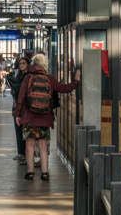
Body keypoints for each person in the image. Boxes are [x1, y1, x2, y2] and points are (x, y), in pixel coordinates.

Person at [15, 53, 79, 181]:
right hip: (45, 118)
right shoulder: (49, 78)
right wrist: (76, 81)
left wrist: (17, 114)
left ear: (33, 64)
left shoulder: (28, 78)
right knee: (43, 145)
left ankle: (30, 172)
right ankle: (45, 173)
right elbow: (64, 89)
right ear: (44, 64)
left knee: (30, 145)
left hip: (29, 117)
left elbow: (21, 97)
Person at [6, 55, 30, 160]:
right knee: (18, 129)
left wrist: (11, 81)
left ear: (28, 64)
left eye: (24, 63)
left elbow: (19, 88)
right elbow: (15, 90)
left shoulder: (29, 76)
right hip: (17, 106)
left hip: (26, 107)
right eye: (20, 63)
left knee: (26, 130)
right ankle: (21, 153)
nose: (22, 65)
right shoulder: (19, 75)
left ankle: (27, 154)